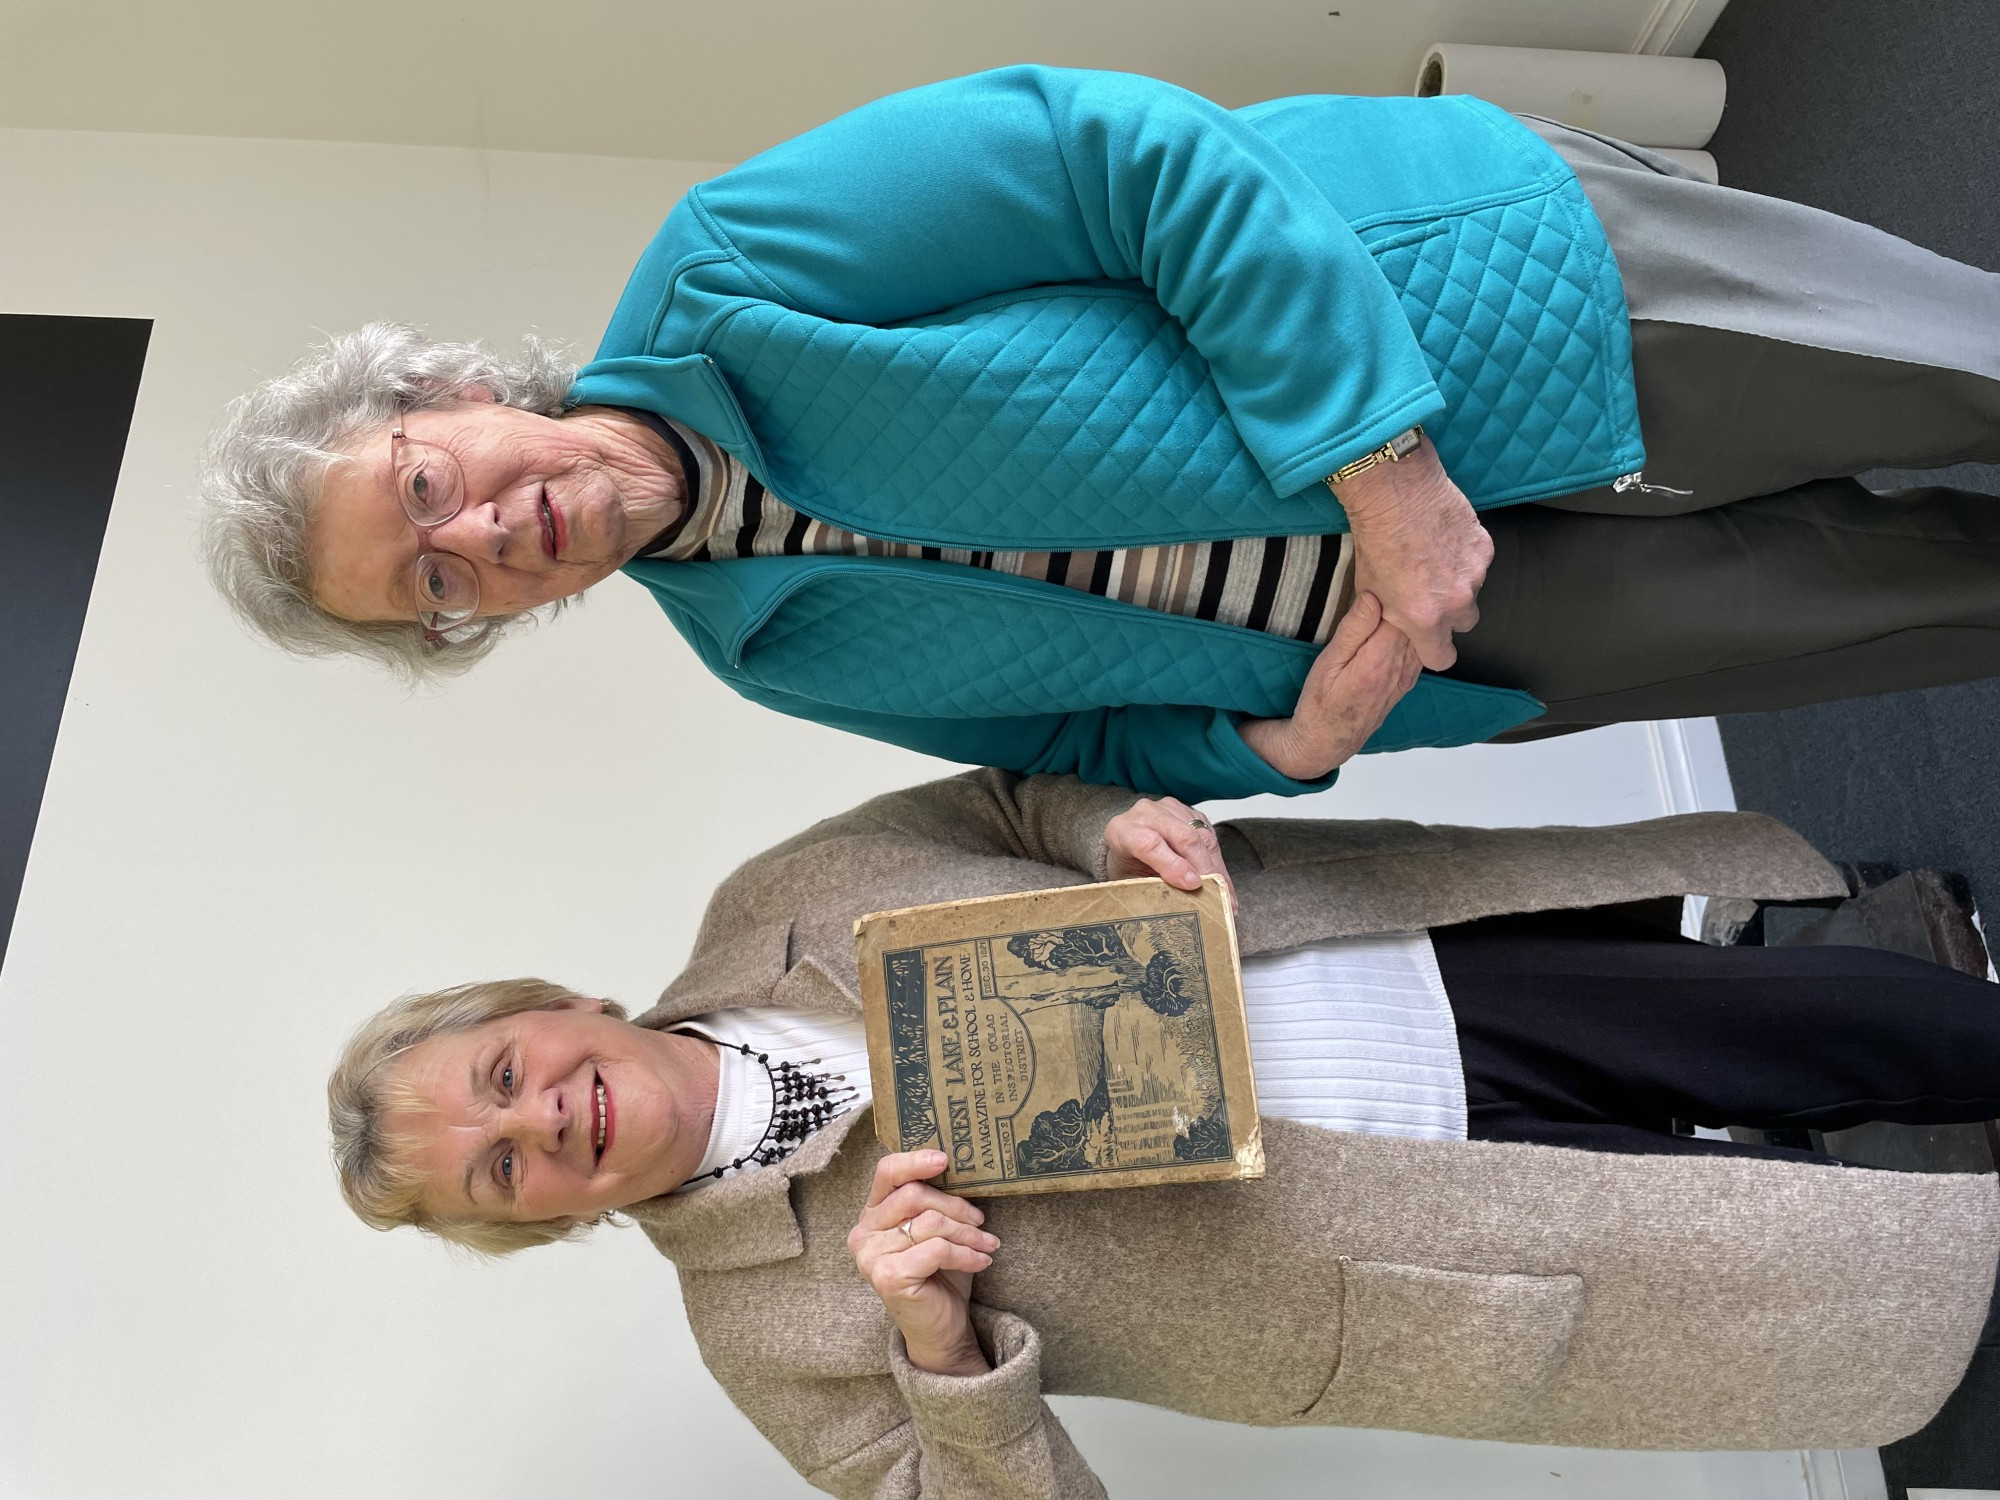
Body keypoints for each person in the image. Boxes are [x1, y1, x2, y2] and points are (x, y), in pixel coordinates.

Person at [206, 67, 2000, 802]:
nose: (477, 539)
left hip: (1479, 320)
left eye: (422, 487)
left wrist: (1385, 475)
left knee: (1958, 373)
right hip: (1458, 627)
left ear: (446, 395)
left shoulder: (729, 270)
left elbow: (1123, 149)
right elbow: (1079, 732)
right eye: (430, 587)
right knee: (1910, 610)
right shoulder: (760, 651)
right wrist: (1287, 743)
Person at [329, 770, 2000, 1496]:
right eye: (499, 1171)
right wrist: (941, 1347)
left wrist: (1101, 825)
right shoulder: (759, 1330)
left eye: (498, 1073)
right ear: (542, 1223)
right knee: (1859, 1265)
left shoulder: (774, 899)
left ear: (541, 1006)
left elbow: (998, 804)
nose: (540, 1119)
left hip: (1400, 976)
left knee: (1871, 1029)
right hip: (1431, 1257)